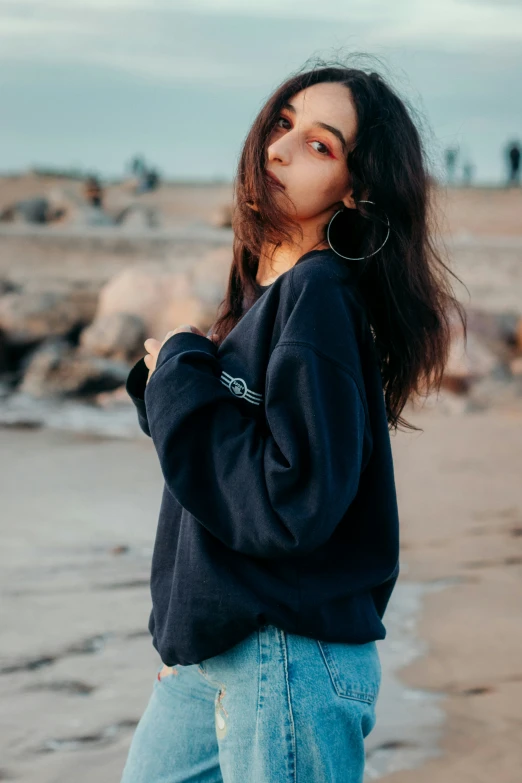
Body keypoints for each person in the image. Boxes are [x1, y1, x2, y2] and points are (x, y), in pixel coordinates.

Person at [121, 59, 465, 783]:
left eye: (320, 144)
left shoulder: (319, 298)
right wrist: (188, 637)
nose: (278, 148)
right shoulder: (264, 297)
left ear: (358, 190)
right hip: (217, 657)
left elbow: (288, 501)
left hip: (283, 656)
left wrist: (182, 370)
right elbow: (226, 484)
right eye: (282, 123)